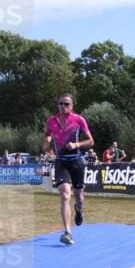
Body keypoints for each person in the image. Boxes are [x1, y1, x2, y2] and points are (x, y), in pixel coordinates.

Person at [44, 93, 94, 245]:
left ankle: (79, 209)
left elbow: (91, 141)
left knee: (78, 196)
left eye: (66, 104)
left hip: (76, 162)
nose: (63, 106)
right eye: (60, 104)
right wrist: (46, 146)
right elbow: (47, 135)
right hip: (61, 162)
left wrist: (76, 145)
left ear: (71, 107)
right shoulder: (52, 121)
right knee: (65, 195)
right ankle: (67, 232)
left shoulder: (79, 120)